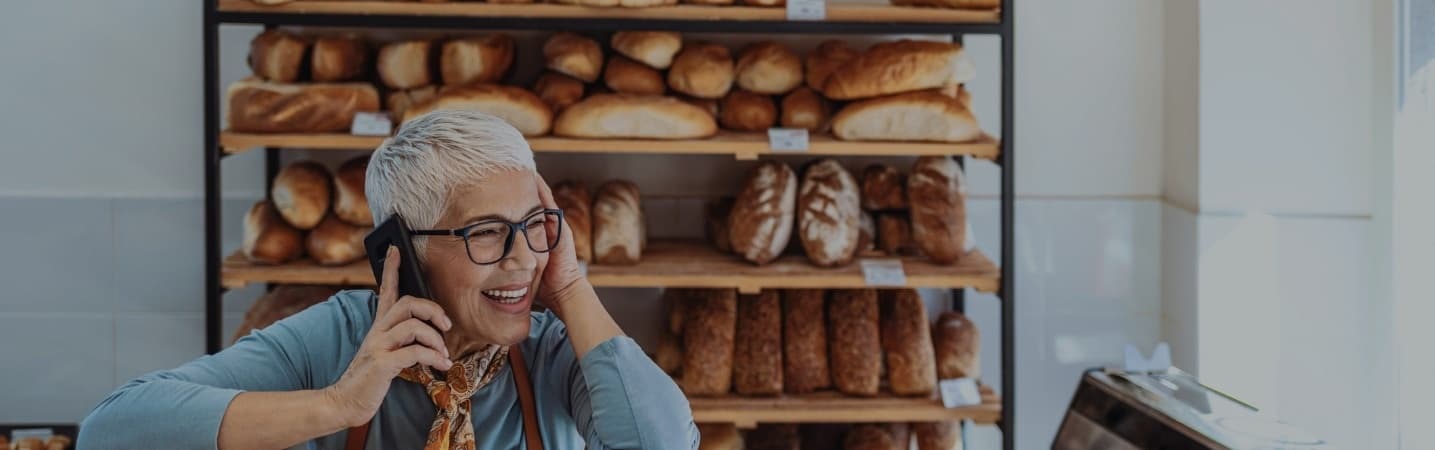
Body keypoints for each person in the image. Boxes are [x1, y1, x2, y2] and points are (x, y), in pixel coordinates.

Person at [79, 110, 699, 449]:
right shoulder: (335, 338)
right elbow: (113, 431)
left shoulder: (555, 351)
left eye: (534, 224)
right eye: (486, 231)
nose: (521, 259)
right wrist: (338, 403)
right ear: (401, 249)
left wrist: (568, 286)